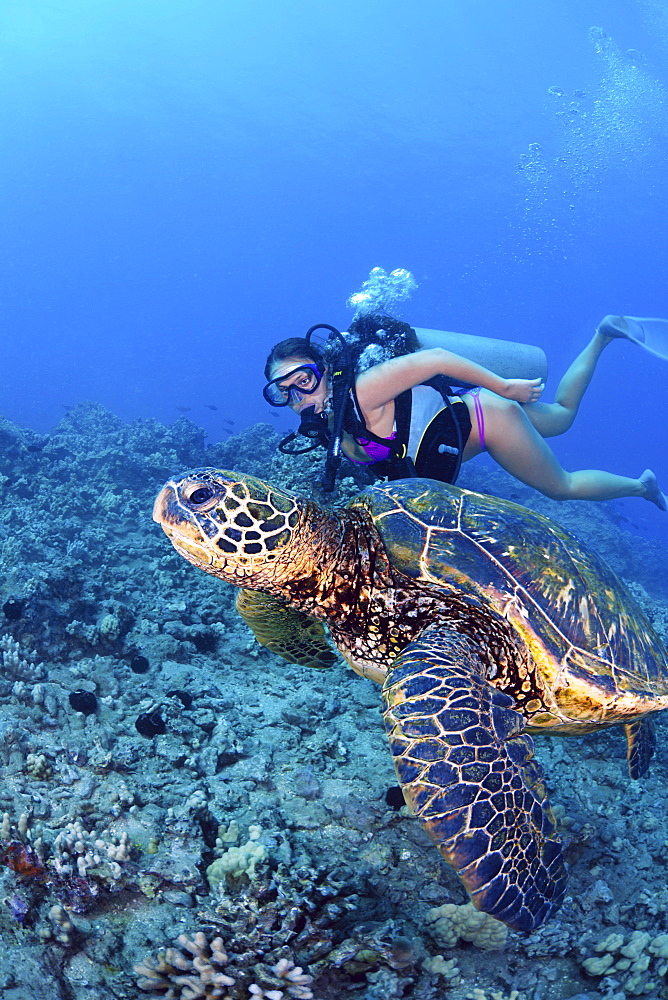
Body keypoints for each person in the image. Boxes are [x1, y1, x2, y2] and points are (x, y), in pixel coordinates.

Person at [263, 315, 667, 510]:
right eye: (283, 392)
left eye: (303, 379)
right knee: (561, 417)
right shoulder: (330, 428)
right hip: (464, 418)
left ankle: (641, 487)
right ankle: (604, 334)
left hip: (490, 417)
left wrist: (505, 387)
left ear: (326, 372)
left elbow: (435, 359)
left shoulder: (361, 392)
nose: (297, 396)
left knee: (561, 487)